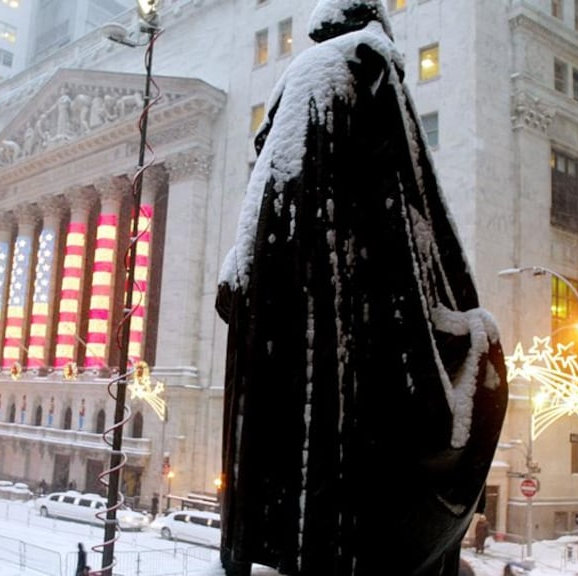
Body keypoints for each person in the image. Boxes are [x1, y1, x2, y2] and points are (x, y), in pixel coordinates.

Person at [214, 2, 508, 576]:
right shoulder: (368, 62)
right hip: (350, 290)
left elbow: (260, 200)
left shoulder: (291, 84)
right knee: (483, 351)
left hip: (284, 305)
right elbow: (410, 190)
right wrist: (460, 310)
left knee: (309, 411)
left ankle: (283, 542)